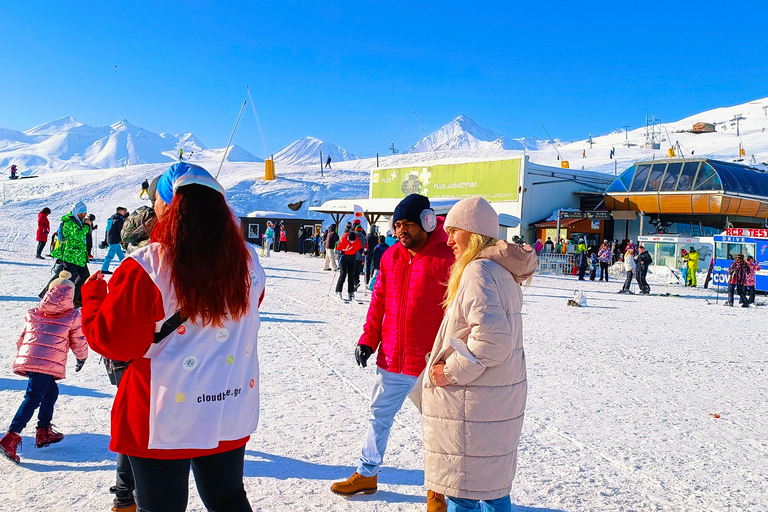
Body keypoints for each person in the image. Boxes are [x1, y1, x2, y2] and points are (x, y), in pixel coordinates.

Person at [81, 161, 266, 511]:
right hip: (229, 405)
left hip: (162, 415)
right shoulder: (249, 261)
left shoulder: (147, 267)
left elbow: (113, 340)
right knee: (227, 497)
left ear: (167, 205)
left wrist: (93, 299)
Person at [330, 194, 454, 510]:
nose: (401, 232)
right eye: (397, 225)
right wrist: (367, 340)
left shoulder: (448, 257)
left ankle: (438, 491)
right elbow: (379, 303)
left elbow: (459, 313)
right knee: (377, 417)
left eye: (408, 225)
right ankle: (367, 474)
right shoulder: (391, 257)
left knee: (439, 428)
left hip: (430, 362)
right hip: (392, 357)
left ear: (427, 222)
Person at [421, 196, 536, 512]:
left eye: (453, 231)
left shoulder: (478, 271)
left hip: (473, 407)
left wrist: (449, 371)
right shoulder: (500, 270)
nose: (448, 240)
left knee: (465, 493)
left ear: (471, 233)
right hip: (492, 402)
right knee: (493, 492)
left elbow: (492, 340)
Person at [0, 271, 88, 464]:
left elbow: (21, 339)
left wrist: (28, 357)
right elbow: (79, 341)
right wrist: (82, 358)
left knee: (50, 392)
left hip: (32, 360)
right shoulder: (72, 315)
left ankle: (43, 431)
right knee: (33, 397)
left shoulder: (33, 312)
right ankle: (11, 437)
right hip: (46, 363)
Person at [45, 200, 91, 307]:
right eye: (82, 213)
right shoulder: (70, 222)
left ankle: (75, 298)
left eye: (85, 213)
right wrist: (87, 226)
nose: (84, 215)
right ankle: (51, 296)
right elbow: (78, 235)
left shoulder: (78, 222)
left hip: (78, 256)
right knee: (66, 278)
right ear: (76, 212)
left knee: (84, 276)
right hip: (70, 255)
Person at [335, 230, 363, 301]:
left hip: (352, 258)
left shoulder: (356, 240)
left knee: (351, 275)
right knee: (343, 274)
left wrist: (363, 251)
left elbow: (359, 247)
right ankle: (338, 291)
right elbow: (337, 249)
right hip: (343, 258)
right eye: (350, 241)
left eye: (353, 241)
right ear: (348, 239)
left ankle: (350, 292)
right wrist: (341, 251)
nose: (352, 243)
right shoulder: (344, 240)